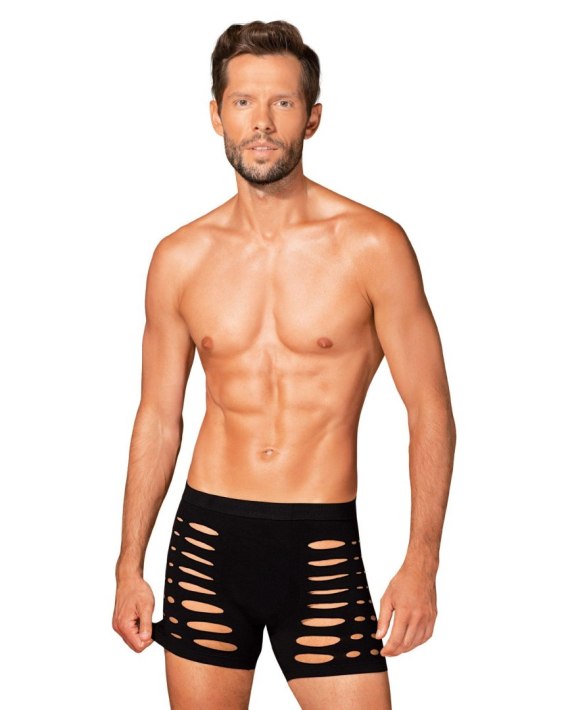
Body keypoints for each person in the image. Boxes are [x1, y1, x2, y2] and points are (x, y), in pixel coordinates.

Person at [112, 19, 456, 710]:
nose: (262, 122)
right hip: (206, 546)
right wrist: (128, 565)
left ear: (313, 117)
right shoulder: (179, 258)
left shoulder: (372, 246)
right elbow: (158, 418)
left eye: (282, 103)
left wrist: (422, 563)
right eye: (243, 102)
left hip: (321, 546)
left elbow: (430, 412)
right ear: (217, 116)